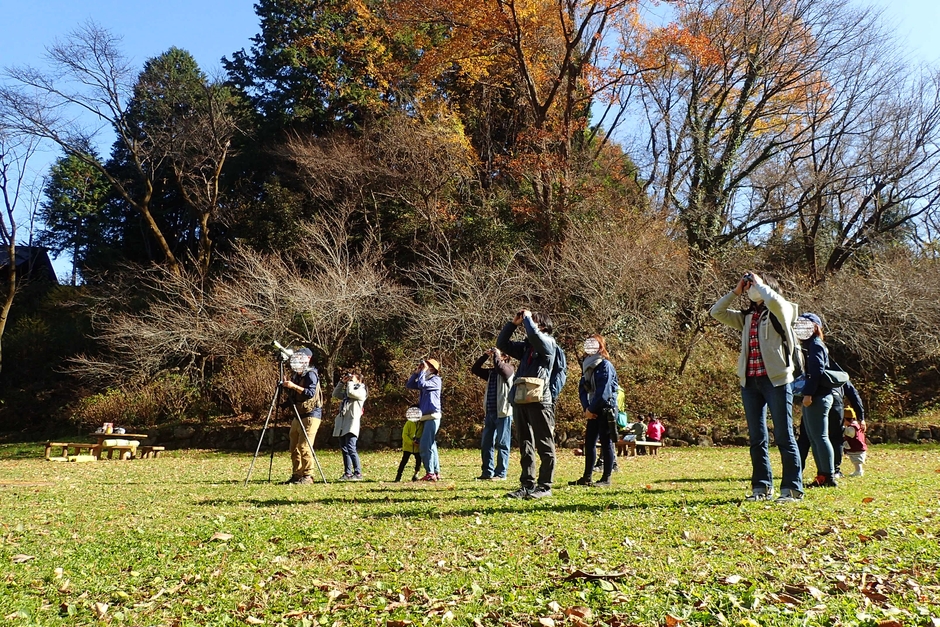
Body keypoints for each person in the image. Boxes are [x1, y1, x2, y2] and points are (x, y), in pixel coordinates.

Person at [710, 271, 804, 503]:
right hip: (750, 382)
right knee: (757, 439)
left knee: (784, 436)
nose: (751, 288)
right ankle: (761, 488)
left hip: (777, 381)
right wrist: (736, 291)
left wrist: (761, 284)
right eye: (750, 285)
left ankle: (792, 489)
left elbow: (775, 301)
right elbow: (716, 312)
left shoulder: (783, 309)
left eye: (754, 285)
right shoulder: (747, 317)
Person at [497, 308, 558, 499]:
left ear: (543, 326)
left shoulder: (548, 343)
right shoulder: (527, 348)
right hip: (521, 399)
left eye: (532, 321)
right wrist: (512, 324)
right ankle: (527, 484)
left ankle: (545, 486)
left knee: (544, 443)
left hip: (541, 401)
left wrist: (529, 319)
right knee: (525, 444)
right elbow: (502, 344)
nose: (527, 324)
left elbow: (536, 335)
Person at [570, 335, 618, 487]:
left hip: (605, 410)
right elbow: (582, 389)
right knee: (590, 443)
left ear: (600, 346)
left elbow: (604, 392)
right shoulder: (587, 366)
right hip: (592, 410)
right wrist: (586, 409)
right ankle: (587, 477)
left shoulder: (605, 365)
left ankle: (606, 479)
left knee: (606, 443)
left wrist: (591, 408)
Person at [797, 312, 838, 488]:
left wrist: (808, 394)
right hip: (817, 396)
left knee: (820, 437)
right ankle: (822, 475)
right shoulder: (810, 345)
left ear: (814, 327)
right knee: (814, 438)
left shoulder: (816, 345)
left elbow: (817, 372)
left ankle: (828, 476)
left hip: (818, 397)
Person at [799, 378, 865, 478]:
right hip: (835, 403)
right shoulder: (839, 374)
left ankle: (797, 470)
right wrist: (861, 417)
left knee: (805, 437)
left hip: (815, 401)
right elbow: (854, 395)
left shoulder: (811, 372)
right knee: (836, 438)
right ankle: (835, 470)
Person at [471, 347, 515, 481]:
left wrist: (496, 354)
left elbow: (500, 367)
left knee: (502, 443)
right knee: (486, 443)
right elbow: (475, 369)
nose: (496, 356)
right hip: (490, 412)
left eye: (500, 354)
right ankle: (487, 472)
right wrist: (485, 355)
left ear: (505, 357)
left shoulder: (509, 369)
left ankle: (501, 473)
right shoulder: (491, 373)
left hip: (503, 412)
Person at [281, 348, 322, 485]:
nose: (297, 360)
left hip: (311, 415)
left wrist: (293, 386)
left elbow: (310, 393)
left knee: (304, 446)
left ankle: (308, 475)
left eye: (301, 357)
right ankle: (297, 474)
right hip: (298, 414)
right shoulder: (296, 375)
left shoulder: (311, 374)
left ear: (308, 359)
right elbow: (295, 395)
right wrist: (287, 387)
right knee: (293, 446)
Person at [406, 358, 443, 481]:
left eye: (427, 367)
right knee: (431, 445)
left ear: (432, 369)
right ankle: (435, 472)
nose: (424, 368)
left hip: (433, 416)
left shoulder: (436, 380)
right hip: (426, 417)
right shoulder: (425, 378)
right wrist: (416, 373)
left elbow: (421, 384)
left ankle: (430, 473)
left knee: (425, 446)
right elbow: (410, 385)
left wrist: (422, 372)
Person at [332, 370, 368, 481]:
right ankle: (347, 473)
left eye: (353, 378)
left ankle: (358, 473)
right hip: (343, 422)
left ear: (360, 380)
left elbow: (351, 393)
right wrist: (342, 382)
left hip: (352, 422)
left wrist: (351, 383)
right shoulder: (348, 390)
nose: (350, 380)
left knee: (351, 447)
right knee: (344, 448)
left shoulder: (361, 391)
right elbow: (335, 394)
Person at [395, 406, 424, 482]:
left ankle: (416, 474)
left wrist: (419, 442)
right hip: (408, 447)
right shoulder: (409, 423)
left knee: (418, 460)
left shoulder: (422, 424)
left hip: (417, 447)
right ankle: (398, 476)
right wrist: (411, 442)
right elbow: (404, 435)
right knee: (404, 461)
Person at [842, 407, 868, 477]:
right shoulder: (857, 425)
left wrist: (842, 429)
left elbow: (848, 432)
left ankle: (859, 471)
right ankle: (858, 470)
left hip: (857, 448)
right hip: (857, 447)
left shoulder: (852, 427)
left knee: (856, 460)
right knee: (855, 460)